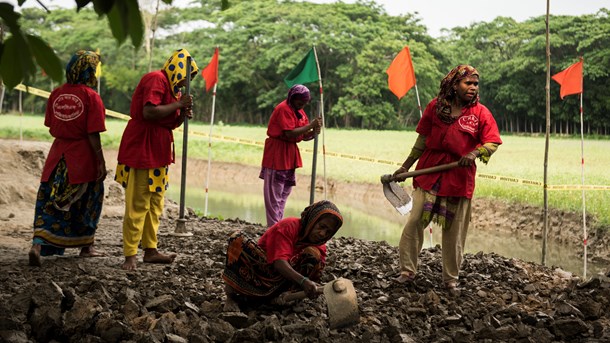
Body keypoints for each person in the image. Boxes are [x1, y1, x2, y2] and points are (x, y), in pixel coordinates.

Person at [392, 65, 502, 290]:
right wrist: (405, 166)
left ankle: (450, 278)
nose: (472, 87)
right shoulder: (435, 107)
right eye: (467, 83)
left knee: (454, 231)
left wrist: (474, 153)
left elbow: (492, 142)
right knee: (414, 222)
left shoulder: (481, 112)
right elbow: (422, 141)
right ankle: (407, 270)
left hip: (459, 178)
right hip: (428, 174)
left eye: (475, 84)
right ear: (454, 85)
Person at [115, 49, 198, 270]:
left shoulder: (174, 91)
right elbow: (150, 112)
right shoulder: (156, 79)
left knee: (155, 203)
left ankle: (150, 250)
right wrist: (178, 106)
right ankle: (130, 254)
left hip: (159, 151)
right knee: (138, 202)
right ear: (176, 69)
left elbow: (168, 122)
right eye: (182, 78)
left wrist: (181, 114)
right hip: (143, 148)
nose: (182, 84)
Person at [28, 50, 107, 266]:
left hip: (56, 157)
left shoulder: (55, 94)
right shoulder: (92, 97)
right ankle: (86, 247)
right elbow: (93, 132)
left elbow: (50, 125)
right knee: (89, 198)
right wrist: (100, 160)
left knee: (48, 200)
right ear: (88, 71)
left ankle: (37, 245)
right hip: (82, 158)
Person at [222, 200, 343, 312]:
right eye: (321, 227)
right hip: (260, 272)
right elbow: (279, 263)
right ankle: (231, 296)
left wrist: (313, 288)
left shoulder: (319, 246)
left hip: (284, 283)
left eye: (328, 232)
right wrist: (303, 281)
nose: (322, 234)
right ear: (312, 220)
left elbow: (315, 275)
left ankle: (285, 297)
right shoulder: (289, 226)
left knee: (313, 254)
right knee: (237, 240)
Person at [260, 84, 322, 227]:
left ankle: (277, 225)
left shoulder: (299, 111)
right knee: (274, 195)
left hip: (289, 155)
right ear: (293, 98)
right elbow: (289, 132)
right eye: (300, 101)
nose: (302, 104)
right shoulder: (283, 109)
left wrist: (314, 131)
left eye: (305, 102)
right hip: (277, 154)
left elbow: (303, 135)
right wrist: (310, 126)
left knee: (284, 194)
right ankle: (273, 227)